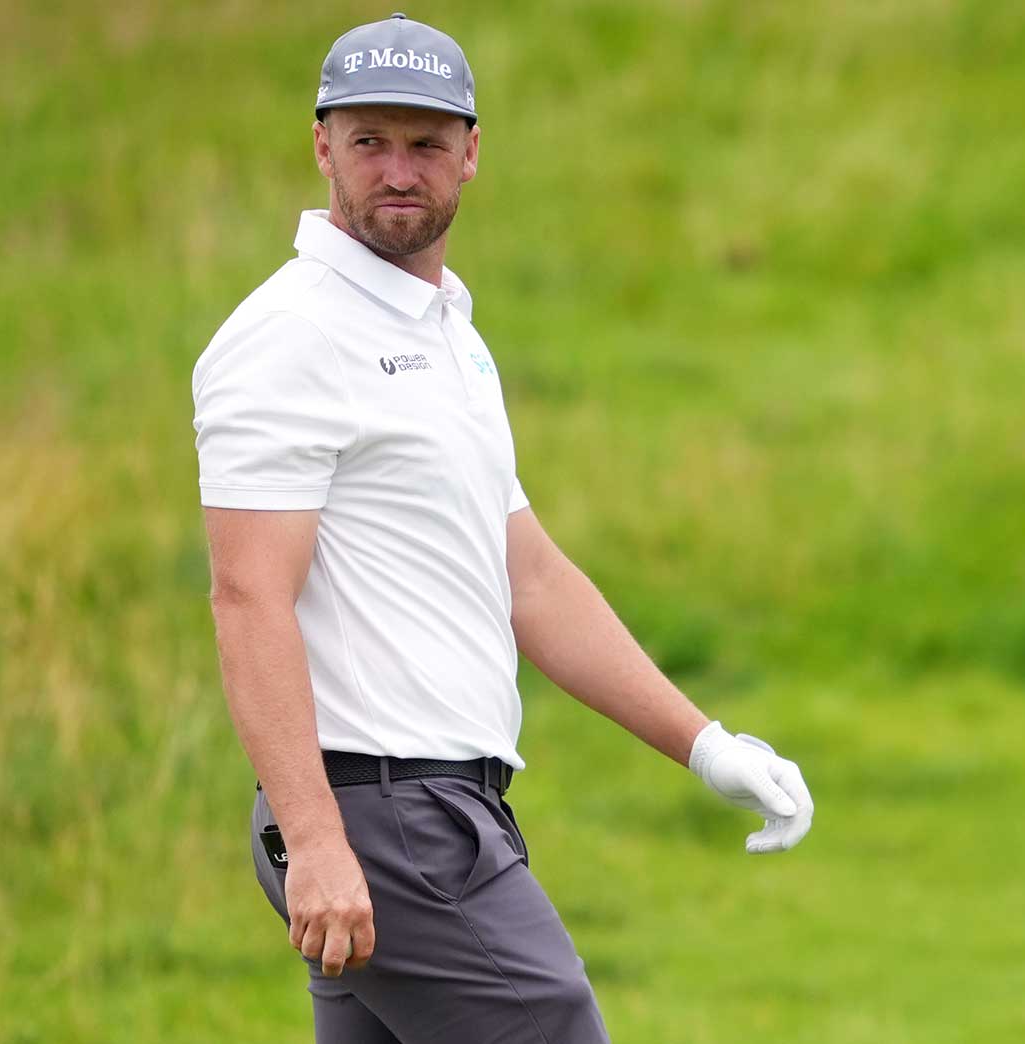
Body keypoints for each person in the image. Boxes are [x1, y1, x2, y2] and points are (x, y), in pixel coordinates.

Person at [190, 14, 814, 1043]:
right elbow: (247, 594)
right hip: (384, 820)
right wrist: (317, 840)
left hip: (440, 813)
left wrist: (705, 747)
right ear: (320, 146)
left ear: (471, 154)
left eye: (426, 144)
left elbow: (526, 574)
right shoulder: (288, 339)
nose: (398, 170)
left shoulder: (448, 336)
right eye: (369, 141)